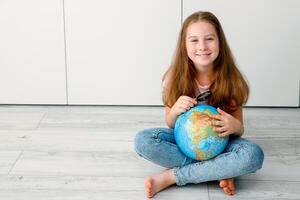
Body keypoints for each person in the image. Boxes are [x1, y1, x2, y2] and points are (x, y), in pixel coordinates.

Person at [134, 11, 264, 198]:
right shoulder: (174, 78)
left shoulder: (232, 79)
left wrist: (234, 126)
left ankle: (172, 177)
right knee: (142, 141)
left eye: (209, 39)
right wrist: (175, 111)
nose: (202, 46)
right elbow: (170, 124)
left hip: (223, 143)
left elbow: (239, 129)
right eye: (194, 40)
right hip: (185, 141)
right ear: (184, 46)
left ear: (220, 42)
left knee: (253, 155)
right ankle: (221, 170)